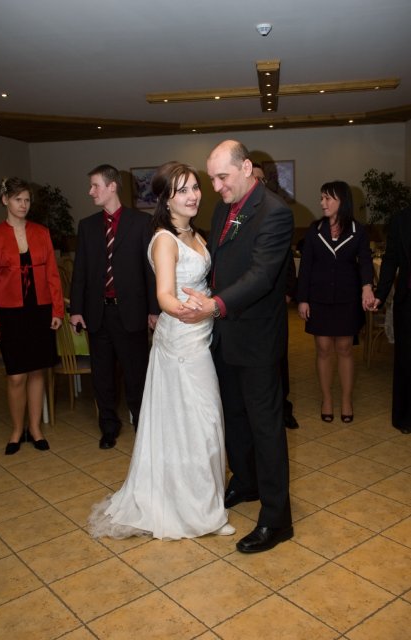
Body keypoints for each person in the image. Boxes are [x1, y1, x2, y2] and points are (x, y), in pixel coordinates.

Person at [88, 161, 234, 539]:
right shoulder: (165, 239)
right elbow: (165, 294)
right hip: (183, 339)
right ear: (166, 199)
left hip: (202, 335)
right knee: (197, 425)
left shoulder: (195, 234)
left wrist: (212, 305)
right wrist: (188, 311)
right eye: (182, 190)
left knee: (203, 423)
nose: (193, 195)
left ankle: (204, 503)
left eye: (195, 187)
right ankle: (199, 512)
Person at [179, 140, 294, 554]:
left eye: (222, 177)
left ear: (246, 168)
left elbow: (262, 276)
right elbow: (220, 264)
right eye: (211, 179)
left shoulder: (275, 212)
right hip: (224, 334)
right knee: (235, 417)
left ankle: (277, 519)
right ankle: (246, 482)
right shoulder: (223, 208)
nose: (215, 187)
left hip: (257, 337)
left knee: (266, 428)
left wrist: (215, 305)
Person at [70, 164, 159, 449]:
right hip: (98, 314)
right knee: (103, 376)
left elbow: (150, 271)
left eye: (95, 185)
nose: (90, 191)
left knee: (136, 374)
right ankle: (108, 426)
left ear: (112, 186)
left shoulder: (142, 223)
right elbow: (80, 271)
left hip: (131, 313)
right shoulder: (87, 226)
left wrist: (154, 310)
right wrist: (76, 310)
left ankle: (142, 425)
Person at [0, 177, 64, 454]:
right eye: (18, 199)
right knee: (16, 376)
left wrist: (57, 309)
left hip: (40, 310)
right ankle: (17, 430)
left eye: (27, 200)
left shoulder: (41, 232)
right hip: (10, 314)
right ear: (5, 200)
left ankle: (35, 428)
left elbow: (53, 274)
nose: (23, 205)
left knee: (37, 372)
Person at [297, 181, 374, 423]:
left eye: (328, 198)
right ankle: (327, 399)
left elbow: (365, 262)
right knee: (323, 349)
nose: (322, 203)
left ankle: (347, 400)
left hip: (347, 299)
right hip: (318, 298)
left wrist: (367, 287)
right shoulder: (315, 230)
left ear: (342, 201)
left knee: (344, 348)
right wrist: (302, 299)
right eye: (322, 198)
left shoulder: (358, 231)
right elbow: (306, 267)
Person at [252, 162, 299, 429]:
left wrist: (288, 292)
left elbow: (287, 262)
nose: (257, 184)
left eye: (261, 179)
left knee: (278, 359)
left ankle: (284, 408)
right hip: (247, 306)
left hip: (274, 304)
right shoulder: (238, 216)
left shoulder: (275, 212)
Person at [372, 206, 411, 434]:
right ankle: (405, 417)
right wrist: (380, 295)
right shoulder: (401, 219)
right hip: (408, 301)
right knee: (406, 359)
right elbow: (390, 260)